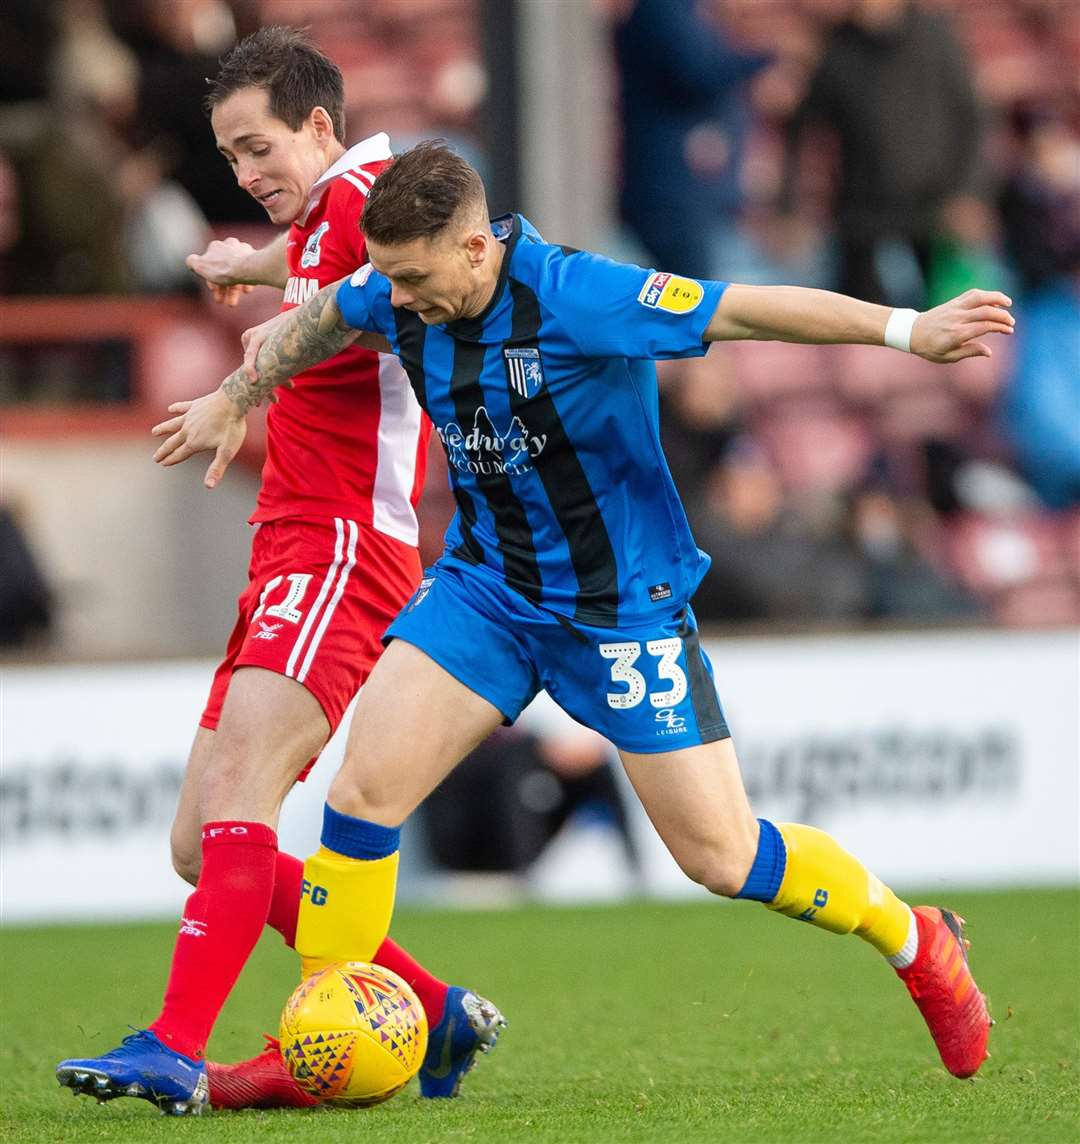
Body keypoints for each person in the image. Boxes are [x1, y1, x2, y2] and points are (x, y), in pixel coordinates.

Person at [64, 141, 1013, 1112]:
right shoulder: (392, 289)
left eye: (419, 280)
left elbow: (744, 307)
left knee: (722, 856)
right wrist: (237, 393)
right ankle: (315, 1037)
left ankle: (914, 938)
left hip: (618, 611)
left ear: (477, 248)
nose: (403, 301)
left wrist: (910, 329)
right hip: (487, 594)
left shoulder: (578, 295)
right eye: (389, 279)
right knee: (362, 792)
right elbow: (321, 315)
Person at [55, 35, 502, 1117]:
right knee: (196, 841)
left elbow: (352, 294)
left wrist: (237, 388)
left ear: (318, 123)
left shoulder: (367, 198)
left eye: (258, 146)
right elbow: (328, 280)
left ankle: (174, 1043)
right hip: (292, 542)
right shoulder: (328, 220)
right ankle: (433, 1006)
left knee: (237, 798)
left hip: (345, 541)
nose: (245, 171)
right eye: (228, 154)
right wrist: (249, 263)